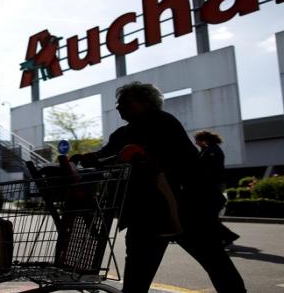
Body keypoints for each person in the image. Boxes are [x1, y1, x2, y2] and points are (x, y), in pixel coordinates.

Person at [70, 81, 246, 293]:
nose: (118, 107)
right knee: (139, 270)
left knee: (214, 260)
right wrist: (85, 159)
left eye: (125, 102)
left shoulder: (162, 123)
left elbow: (171, 158)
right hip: (145, 211)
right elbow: (106, 155)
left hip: (184, 206)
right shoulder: (122, 133)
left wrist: (137, 157)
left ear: (145, 102)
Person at [194, 130, 240, 247]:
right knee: (207, 215)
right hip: (212, 185)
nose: (196, 143)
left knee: (207, 215)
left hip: (212, 186)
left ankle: (227, 237)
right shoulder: (208, 150)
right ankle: (223, 237)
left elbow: (209, 170)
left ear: (203, 140)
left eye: (197, 140)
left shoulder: (212, 151)